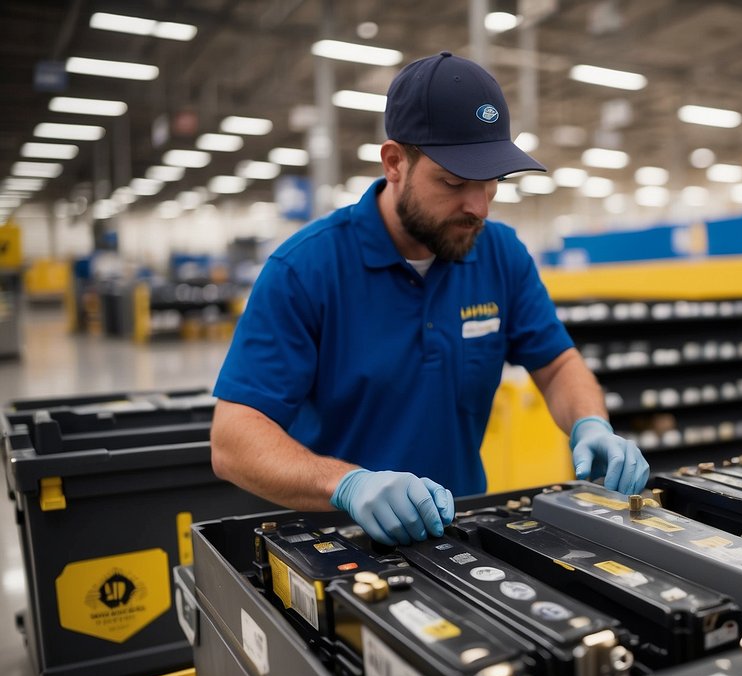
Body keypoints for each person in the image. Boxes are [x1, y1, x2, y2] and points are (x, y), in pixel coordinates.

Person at [210, 51, 648, 545]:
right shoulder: (305, 269)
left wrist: (591, 423)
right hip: (336, 542)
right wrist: (348, 483)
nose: (478, 206)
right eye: (455, 182)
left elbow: (557, 364)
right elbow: (233, 440)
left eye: (491, 183)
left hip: (457, 534)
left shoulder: (500, 254)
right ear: (395, 162)